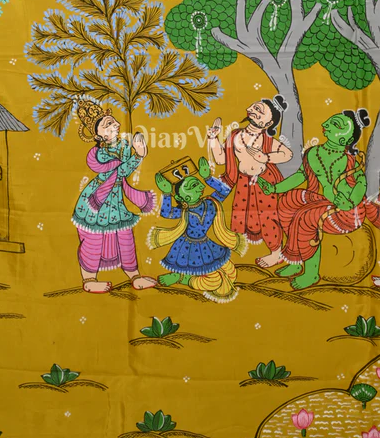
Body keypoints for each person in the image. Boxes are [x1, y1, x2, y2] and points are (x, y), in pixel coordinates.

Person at [258, 109, 380, 290]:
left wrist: (350, 202)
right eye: (330, 121)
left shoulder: (350, 161)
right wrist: (275, 188)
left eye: (336, 125)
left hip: (346, 211)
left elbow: (361, 183)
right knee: (287, 201)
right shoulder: (313, 153)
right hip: (321, 200)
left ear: (344, 140)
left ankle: (311, 273)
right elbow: (300, 176)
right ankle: (295, 260)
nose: (326, 124)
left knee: (306, 217)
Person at [72, 98, 157, 293]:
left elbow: (125, 170)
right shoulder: (100, 154)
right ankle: (89, 280)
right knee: (94, 240)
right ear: (99, 135)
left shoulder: (123, 145)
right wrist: (138, 155)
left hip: (116, 200)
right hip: (97, 202)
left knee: (125, 237)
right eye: (108, 124)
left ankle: (135, 276)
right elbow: (120, 171)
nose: (116, 124)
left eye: (113, 121)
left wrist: (137, 153)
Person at [208, 96, 293, 267]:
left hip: (263, 182)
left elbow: (287, 154)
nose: (253, 111)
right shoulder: (235, 136)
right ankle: (235, 250)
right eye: (254, 107)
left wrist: (266, 157)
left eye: (259, 111)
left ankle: (276, 253)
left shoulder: (267, 140)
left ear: (268, 123)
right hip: (243, 183)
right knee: (240, 215)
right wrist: (213, 139)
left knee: (268, 218)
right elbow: (221, 159)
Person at [148, 156, 246, 302]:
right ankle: (182, 278)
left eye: (197, 183)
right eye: (192, 186)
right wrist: (167, 193)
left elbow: (225, 190)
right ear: (181, 198)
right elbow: (166, 213)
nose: (200, 187)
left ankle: (187, 276)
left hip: (208, 245)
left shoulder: (210, 203)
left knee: (231, 272)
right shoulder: (184, 211)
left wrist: (208, 178)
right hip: (188, 248)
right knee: (215, 281)